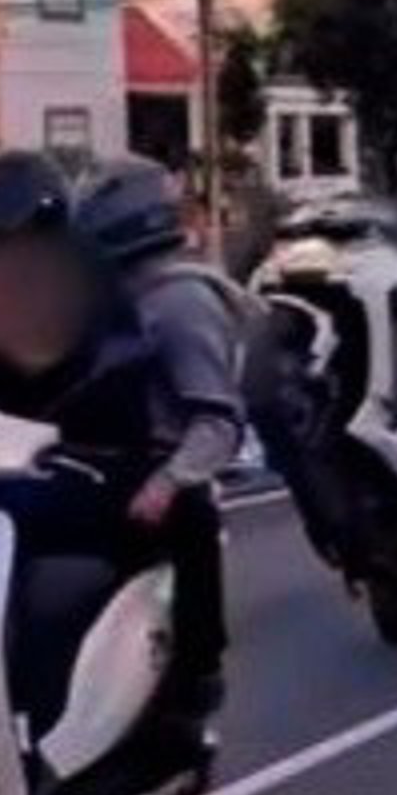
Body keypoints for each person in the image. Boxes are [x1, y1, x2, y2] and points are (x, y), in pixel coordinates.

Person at [0, 150, 201, 739]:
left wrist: (61, 427)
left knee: (23, 547)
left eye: (8, 244)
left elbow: (117, 370)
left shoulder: (94, 290)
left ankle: (49, 706)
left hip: (93, 466)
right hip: (3, 468)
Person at [74, 155, 261, 725]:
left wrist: (169, 482)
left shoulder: (180, 302)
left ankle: (195, 674)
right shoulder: (101, 300)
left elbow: (217, 420)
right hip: (90, 463)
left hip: (155, 468)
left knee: (189, 521)